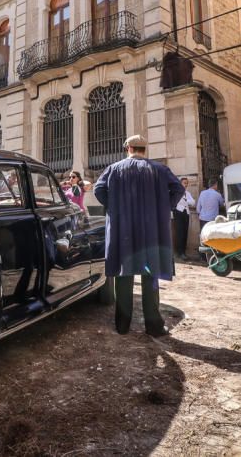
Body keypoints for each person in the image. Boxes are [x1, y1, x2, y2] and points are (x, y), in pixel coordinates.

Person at [93, 134, 184, 337]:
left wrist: (113, 207)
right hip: (152, 230)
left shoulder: (114, 169)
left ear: (128, 148)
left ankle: (122, 325)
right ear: (144, 149)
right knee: (150, 275)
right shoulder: (160, 169)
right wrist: (164, 207)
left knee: (124, 276)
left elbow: (99, 190)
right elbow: (178, 188)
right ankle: (153, 326)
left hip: (123, 229)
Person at [173, 177, 196, 259]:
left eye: (187, 183)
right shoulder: (177, 192)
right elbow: (180, 201)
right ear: (180, 183)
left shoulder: (188, 193)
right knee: (180, 233)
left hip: (186, 213)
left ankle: (183, 252)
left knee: (185, 233)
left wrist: (186, 201)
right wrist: (187, 202)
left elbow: (193, 202)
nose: (186, 185)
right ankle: (179, 252)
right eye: (184, 183)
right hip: (178, 213)